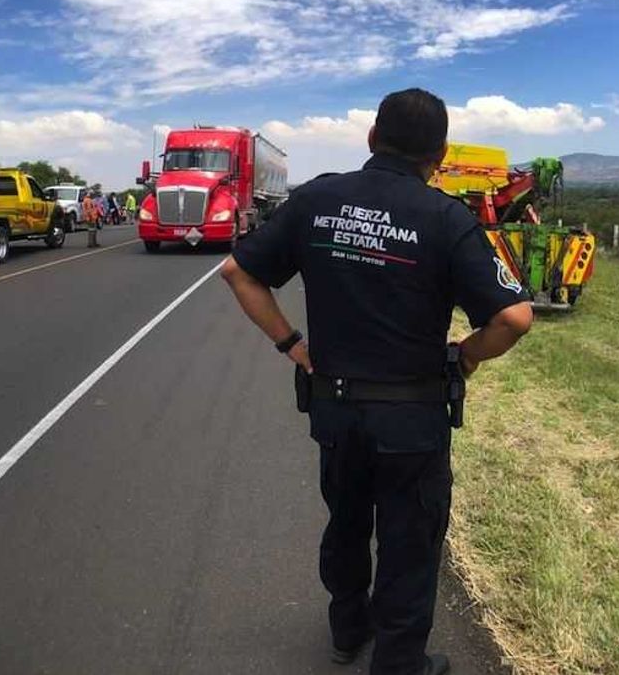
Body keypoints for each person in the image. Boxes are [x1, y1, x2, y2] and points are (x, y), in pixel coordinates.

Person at [220, 88, 534, 675]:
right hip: (412, 419)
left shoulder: (317, 199)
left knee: (345, 521)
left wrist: (294, 347)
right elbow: (514, 317)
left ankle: (348, 628)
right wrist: (465, 356)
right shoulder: (447, 218)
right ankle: (398, 662)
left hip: (335, 410)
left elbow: (239, 272)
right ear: (439, 156)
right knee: (409, 542)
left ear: (370, 137)